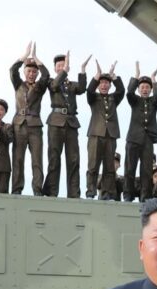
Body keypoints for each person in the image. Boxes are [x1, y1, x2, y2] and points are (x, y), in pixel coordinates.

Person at [44, 52, 88, 198]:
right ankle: (51, 192)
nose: (62, 67)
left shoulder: (71, 85)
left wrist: (82, 70)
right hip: (56, 121)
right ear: (56, 68)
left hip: (71, 123)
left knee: (74, 159)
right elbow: (55, 85)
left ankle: (74, 193)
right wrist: (65, 71)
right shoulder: (51, 81)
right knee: (54, 158)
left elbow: (81, 88)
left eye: (64, 64)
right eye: (59, 66)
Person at [10, 42, 50, 196]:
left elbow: (46, 76)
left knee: (37, 160)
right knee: (18, 159)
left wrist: (37, 60)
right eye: (29, 70)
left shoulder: (40, 87)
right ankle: (16, 189)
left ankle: (37, 190)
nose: (32, 73)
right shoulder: (18, 84)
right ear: (25, 71)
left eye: (34, 71)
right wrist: (24, 56)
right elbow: (12, 70)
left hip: (35, 126)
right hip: (19, 125)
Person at [86, 63, 124, 200]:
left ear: (109, 85)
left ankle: (108, 193)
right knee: (93, 165)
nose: (104, 85)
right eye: (101, 83)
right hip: (96, 134)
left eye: (106, 83)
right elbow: (89, 91)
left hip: (111, 135)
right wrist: (96, 77)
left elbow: (121, 91)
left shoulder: (114, 98)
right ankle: (90, 191)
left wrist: (114, 77)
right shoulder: (93, 97)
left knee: (109, 167)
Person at [124, 62, 157, 202]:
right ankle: (128, 195)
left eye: (147, 87)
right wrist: (136, 76)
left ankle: (145, 197)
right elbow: (129, 93)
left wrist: (154, 80)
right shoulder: (135, 101)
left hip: (148, 139)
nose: (145, 89)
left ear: (150, 89)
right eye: (142, 87)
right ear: (139, 89)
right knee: (130, 169)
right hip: (133, 138)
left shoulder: (153, 102)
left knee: (146, 171)